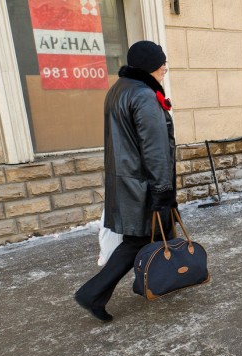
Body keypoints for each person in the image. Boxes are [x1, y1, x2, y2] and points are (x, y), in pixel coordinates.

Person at [75, 40, 177, 322]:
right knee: (138, 240)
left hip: (128, 181)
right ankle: (93, 293)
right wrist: (163, 190)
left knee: (164, 234)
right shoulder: (144, 95)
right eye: (162, 67)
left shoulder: (118, 89)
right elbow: (155, 149)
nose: (164, 71)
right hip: (144, 184)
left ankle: (158, 281)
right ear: (150, 68)